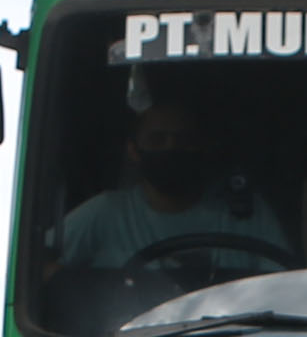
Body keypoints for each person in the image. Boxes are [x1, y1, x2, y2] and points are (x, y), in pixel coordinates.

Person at [51, 94, 289, 280]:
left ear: (202, 147)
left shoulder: (245, 212)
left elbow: (283, 287)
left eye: (184, 140)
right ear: (134, 151)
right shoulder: (105, 213)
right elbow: (35, 267)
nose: (171, 149)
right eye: (157, 140)